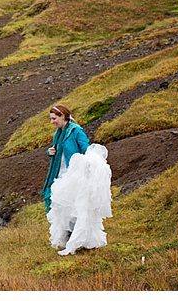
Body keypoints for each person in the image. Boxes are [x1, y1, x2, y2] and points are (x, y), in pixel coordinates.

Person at [41, 104, 112, 255]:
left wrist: (87, 168)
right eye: (51, 119)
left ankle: (79, 239)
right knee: (62, 205)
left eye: (54, 119)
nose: (52, 122)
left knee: (76, 206)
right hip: (61, 174)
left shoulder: (76, 131)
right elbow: (58, 150)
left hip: (74, 175)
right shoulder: (58, 133)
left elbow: (87, 150)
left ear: (63, 116)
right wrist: (50, 151)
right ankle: (70, 237)